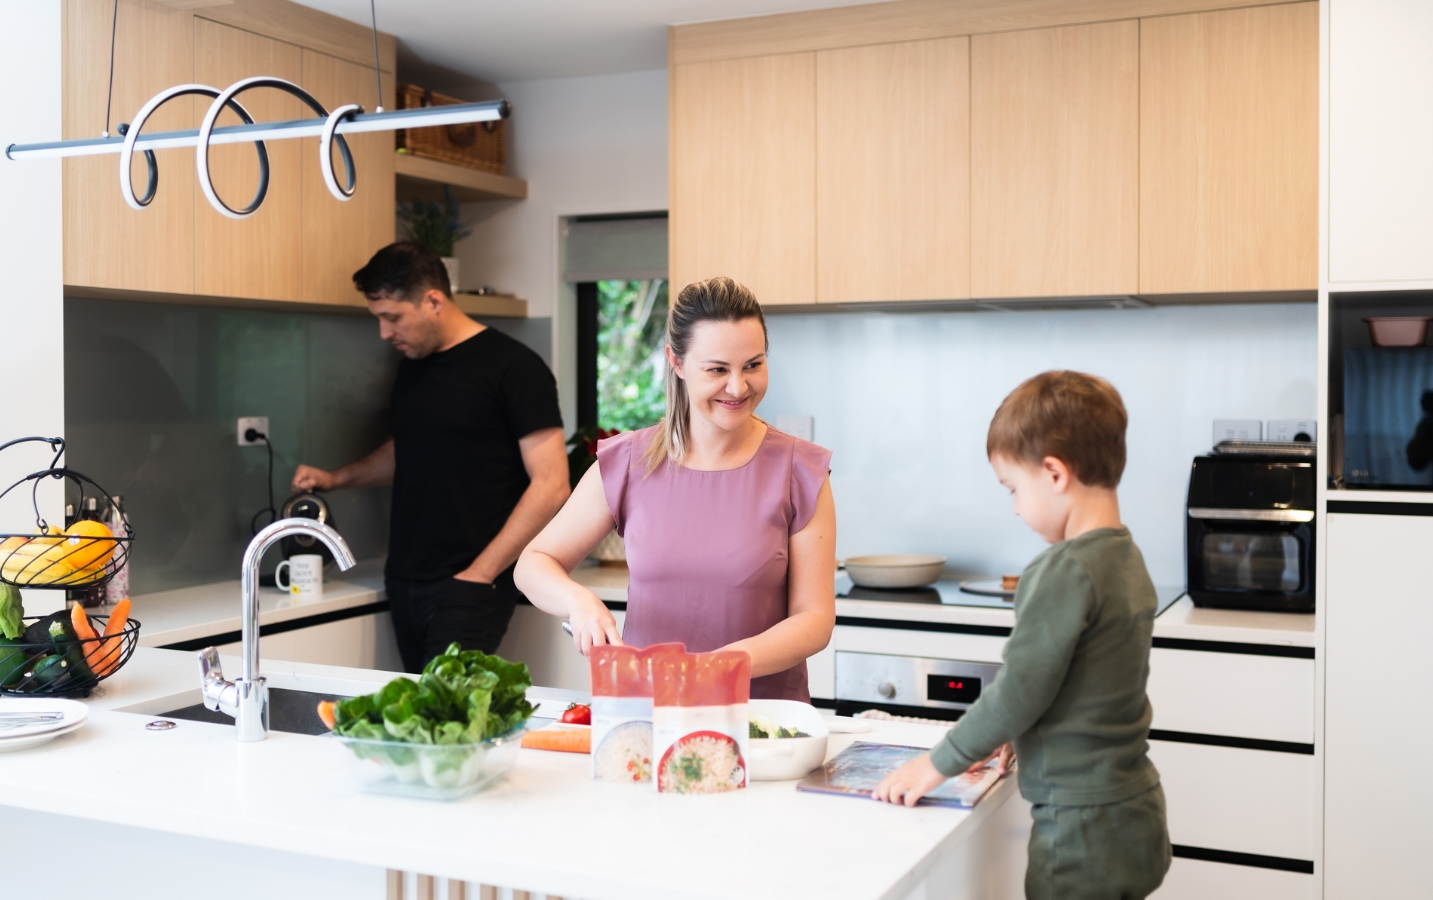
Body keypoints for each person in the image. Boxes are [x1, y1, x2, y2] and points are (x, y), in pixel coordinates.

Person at [872, 371, 1170, 900]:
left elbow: (1019, 689)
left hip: (1079, 828)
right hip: (1134, 810)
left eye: (1013, 488)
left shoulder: (1063, 570)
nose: (1014, 508)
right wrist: (1022, 734)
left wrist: (936, 763)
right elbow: (1086, 684)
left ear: (1054, 473)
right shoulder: (1126, 557)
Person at [514, 277, 836, 701]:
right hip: (646, 712)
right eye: (717, 369)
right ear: (677, 363)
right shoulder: (628, 462)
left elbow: (814, 619)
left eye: (753, 365)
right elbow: (533, 563)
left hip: (760, 722)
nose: (738, 387)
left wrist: (720, 667)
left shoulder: (800, 470)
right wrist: (579, 601)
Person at [291, 242, 569, 673]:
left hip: (471, 583)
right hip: (404, 581)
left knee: (447, 728)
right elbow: (409, 450)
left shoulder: (514, 367)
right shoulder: (412, 367)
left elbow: (551, 484)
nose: (385, 333)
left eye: (392, 317)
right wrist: (334, 478)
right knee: (419, 725)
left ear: (433, 300)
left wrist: (481, 575)